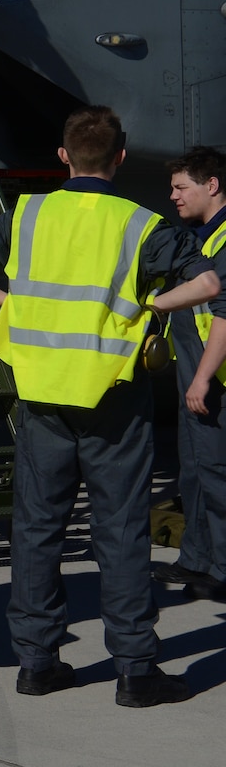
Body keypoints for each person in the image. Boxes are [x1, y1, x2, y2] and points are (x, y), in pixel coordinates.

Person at [0, 107, 220, 706]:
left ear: (64, 157)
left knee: (38, 528)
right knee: (121, 531)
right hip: (114, 396)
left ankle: (37, 662)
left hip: (41, 397)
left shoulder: (29, 214)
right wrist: (149, 310)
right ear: (119, 158)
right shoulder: (141, 223)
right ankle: (135, 670)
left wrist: (8, 303)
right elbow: (211, 284)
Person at [158, 148, 226, 601]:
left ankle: (222, 568)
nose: (174, 196)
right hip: (190, 370)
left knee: (216, 473)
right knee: (194, 472)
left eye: (182, 187)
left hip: (213, 377)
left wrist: (202, 378)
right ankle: (198, 558)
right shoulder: (194, 237)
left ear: (212, 185)